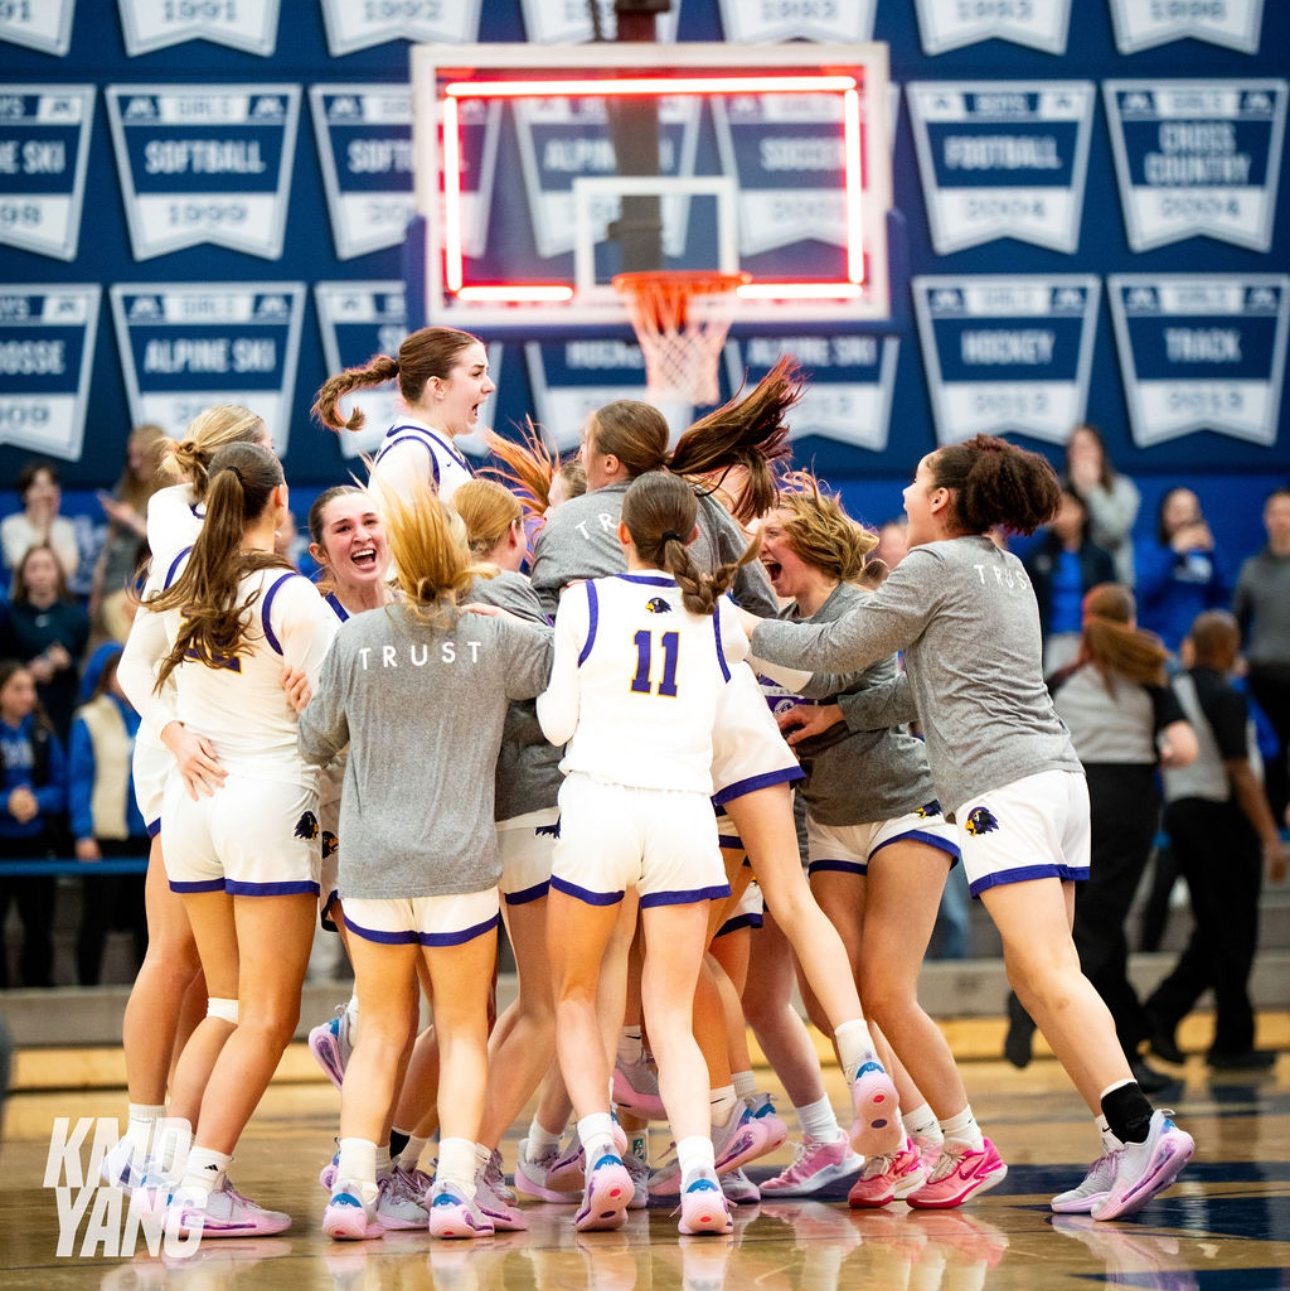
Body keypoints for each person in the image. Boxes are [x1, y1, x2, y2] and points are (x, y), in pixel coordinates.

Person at [743, 434, 1195, 1221]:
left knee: (1049, 969)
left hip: (1002, 787)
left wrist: (732, 626)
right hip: (1056, 777)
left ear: (943, 500)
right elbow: (917, 686)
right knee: (1039, 973)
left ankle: (1141, 1126)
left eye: (917, 484)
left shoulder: (933, 565)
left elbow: (834, 648)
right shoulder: (1006, 567)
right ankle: (1120, 1140)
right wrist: (846, 711)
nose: (908, 497)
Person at [524, 371, 904, 1177]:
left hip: (647, 757)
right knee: (783, 908)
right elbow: (777, 637)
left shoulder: (567, 534)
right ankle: (857, 1058)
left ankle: (681, 1119)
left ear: (602, 471)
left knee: (636, 962)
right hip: (731, 712)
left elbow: (546, 645)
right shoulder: (709, 538)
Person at [296, 480, 553, 1242]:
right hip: (461, 870)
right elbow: (566, 664)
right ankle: (451, 1192)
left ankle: (351, 1192)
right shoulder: (491, 635)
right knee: (463, 1031)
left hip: (374, 870)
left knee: (380, 1031)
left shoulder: (356, 638)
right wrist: (499, 611)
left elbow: (314, 742)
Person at [761, 474, 1003, 1209]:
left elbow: (917, 691)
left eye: (773, 532)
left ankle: (968, 1141)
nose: (761, 545)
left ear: (808, 541)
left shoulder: (860, 606)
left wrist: (838, 718)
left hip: (905, 804)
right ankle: (911, 1141)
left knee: (886, 991)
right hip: (831, 816)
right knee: (834, 994)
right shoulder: (778, 615)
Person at [119, 441, 340, 1235]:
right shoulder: (295, 599)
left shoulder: (180, 580)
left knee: (223, 999)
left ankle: (164, 1170)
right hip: (264, 805)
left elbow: (131, 674)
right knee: (266, 1014)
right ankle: (201, 1184)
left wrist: (174, 732)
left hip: (192, 804)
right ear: (277, 501)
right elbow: (336, 727)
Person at [535, 470, 762, 1236]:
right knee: (670, 1010)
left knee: (573, 995)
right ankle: (700, 1174)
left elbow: (558, 723)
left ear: (618, 532)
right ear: (694, 535)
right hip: (683, 816)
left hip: (600, 804)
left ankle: (601, 1151)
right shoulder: (720, 615)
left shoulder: (583, 601)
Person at [101, 404, 271, 1194]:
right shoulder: (186, 534)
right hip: (187, 750)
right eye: (264, 452)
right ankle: (145, 1140)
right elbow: (137, 666)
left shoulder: (179, 511)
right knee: (176, 959)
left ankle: (173, 1130)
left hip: (211, 747)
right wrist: (171, 735)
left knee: (209, 978)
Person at [1009, 585, 1197, 1090]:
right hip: (1130, 800)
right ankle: (1029, 1004)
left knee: (1093, 927)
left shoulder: (1063, 679)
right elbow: (1186, 747)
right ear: (1130, 621)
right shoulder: (1150, 677)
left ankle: (1129, 1048)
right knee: (1099, 927)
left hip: (1071, 796)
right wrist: (1154, 752)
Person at [1144, 611, 1289, 1071]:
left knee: (1216, 931)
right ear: (1226, 648)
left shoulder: (1176, 689)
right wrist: (1271, 838)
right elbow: (1241, 773)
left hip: (1182, 814)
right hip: (1222, 820)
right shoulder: (1226, 694)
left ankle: (1182, 1023)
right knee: (1235, 931)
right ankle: (1217, 1037)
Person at [312, 326, 493, 507]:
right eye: (477, 374)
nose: (490, 386)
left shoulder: (432, 446)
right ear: (438, 387)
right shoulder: (410, 451)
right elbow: (389, 534)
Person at [69, 648, 149, 986]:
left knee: (148, 921)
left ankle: (149, 990)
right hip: (107, 832)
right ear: (104, 676)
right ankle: (87, 987)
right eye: (120, 670)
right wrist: (83, 832)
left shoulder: (150, 712)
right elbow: (79, 779)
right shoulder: (89, 718)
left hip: (145, 831)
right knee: (98, 916)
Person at [0, 660, 67, 988]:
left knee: (39, 922)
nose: (28, 696)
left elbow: (61, 785)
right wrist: (7, 802)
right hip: (4, 841)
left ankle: (39, 983)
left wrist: (35, 801)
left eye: (30, 688)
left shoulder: (42, 731)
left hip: (37, 840)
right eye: (18, 688)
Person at [1234, 485, 1290, 824]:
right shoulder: (1252, 568)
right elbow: (1236, 620)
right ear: (1266, 519)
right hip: (1263, 674)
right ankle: (1269, 821)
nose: (1282, 521)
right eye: (1276, 514)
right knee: (1269, 752)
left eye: (1287, 513)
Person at [0, 544, 90, 743]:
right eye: (33, 568)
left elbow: (86, 663)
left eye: (47, 567)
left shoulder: (76, 615)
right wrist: (27, 671)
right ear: (23, 575)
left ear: (58, 572)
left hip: (65, 705)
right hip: (23, 708)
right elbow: (4, 663)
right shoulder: (12, 616)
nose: (41, 574)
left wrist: (67, 662)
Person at [1023, 488, 1116, 677]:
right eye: (1057, 509)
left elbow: (1112, 603)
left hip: (1089, 641)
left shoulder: (1101, 558)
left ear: (1083, 512)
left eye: (1068, 508)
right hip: (1050, 641)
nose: (1062, 515)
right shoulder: (1036, 557)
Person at [91, 425, 168, 643]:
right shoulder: (124, 489)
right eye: (131, 456)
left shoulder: (171, 493)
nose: (134, 464)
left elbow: (170, 541)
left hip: (151, 587)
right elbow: (109, 545)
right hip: (115, 585)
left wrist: (132, 520)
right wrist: (97, 587)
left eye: (140, 457)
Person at [1137, 487, 1231, 655]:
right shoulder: (1150, 550)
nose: (1184, 519)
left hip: (1198, 649)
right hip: (1159, 646)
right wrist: (1173, 552)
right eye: (1177, 511)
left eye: (1190, 512)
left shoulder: (1207, 556)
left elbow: (1222, 598)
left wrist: (1212, 553)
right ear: (1164, 515)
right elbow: (1145, 590)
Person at [1065, 424, 1140, 587]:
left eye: (1086, 447)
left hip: (1114, 582)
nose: (1081, 455)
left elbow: (1114, 532)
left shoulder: (1123, 488)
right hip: (1071, 581)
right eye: (1075, 448)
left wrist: (1092, 491)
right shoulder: (1060, 489)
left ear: (1100, 450)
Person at [2, 460, 79, 585]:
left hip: (60, 600)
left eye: (50, 486)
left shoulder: (66, 526)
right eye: (38, 487)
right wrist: (43, 524)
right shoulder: (11, 525)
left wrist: (48, 525)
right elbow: (26, 570)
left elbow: (69, 571)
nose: (45, 494)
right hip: (23, 601)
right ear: (25, 494)